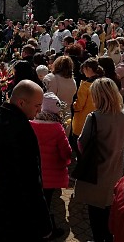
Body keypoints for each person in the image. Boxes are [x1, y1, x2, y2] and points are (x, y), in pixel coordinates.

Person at [0, 80, 53, 241]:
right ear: (21, 102)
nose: (40, 110)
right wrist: (44, 223)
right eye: (37, 105)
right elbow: (31, 180)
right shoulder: (21, 129)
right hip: (19, 212)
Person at [74, 78, 124, 242]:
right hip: (115, 168)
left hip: (96, 169)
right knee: (110, 209)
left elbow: (81, 143)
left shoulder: (94, 117)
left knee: (95, 212)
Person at [30, 91, 71, 239]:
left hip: (33, 172)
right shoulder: (57, 128)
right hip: (51, 175)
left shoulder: (30, 124)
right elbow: (66, 152)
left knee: (36, 201)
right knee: (46, 202)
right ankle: (45, 231)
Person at [72, 58, 104, 154]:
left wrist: (73, 105)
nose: (83, 72)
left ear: (89, 69)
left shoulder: (85, 86)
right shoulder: (103, 82)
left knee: (80, 145)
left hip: (84, 119)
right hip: (99, 118)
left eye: (84, 69)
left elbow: (79, 105)